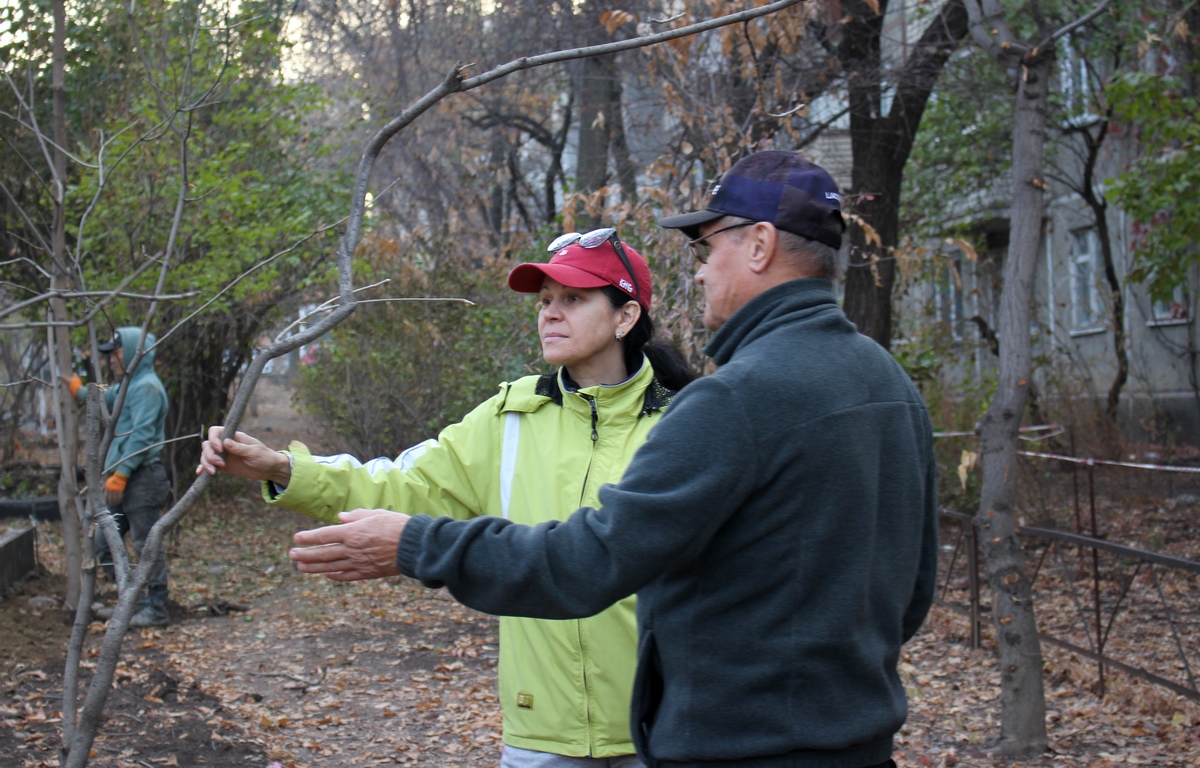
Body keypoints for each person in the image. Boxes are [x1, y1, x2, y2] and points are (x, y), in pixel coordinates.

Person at [287, 152, 939, 768]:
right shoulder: (893, 388)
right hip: (860, 745)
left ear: (761, 245)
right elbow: (911, 596)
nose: (702, 271)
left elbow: (588, 562)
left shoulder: (731, 403)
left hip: (734, 748)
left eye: (709, 248)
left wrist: (415, 543)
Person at [198, 230, 696, 768]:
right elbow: (401, 484)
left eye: (573, 299)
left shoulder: (687, 424)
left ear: (625, 317)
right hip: (542, 732)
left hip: (663, 730)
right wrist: (284, 467)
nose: (550, 314)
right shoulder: (508, 418)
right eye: (545, 301)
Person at [66, 327, 172, 628]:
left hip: (141, 479)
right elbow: (105, 397)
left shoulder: (147, 387)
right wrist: (79, 390)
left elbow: (142, 435)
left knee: (145, 545)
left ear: (135, 351)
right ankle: (133, 604)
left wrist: (122, 474)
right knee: (103, 544)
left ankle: (156, 609)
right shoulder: (128, 385)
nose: (112, 359)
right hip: (122, 480)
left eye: (116, 352)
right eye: (109, 354)